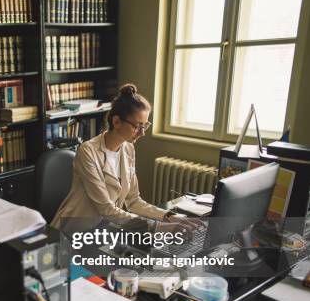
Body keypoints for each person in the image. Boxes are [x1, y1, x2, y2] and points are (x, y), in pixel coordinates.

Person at [51, 83, 199, 234]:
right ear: (116, 122)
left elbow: (133, 201)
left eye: (145, 125)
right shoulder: (88, 151)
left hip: (103, 229)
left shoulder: (128, 148)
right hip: (74, 231)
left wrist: (169, 216)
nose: (142, 133)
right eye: (137, 126)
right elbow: (106, 209)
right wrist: (157, 227)